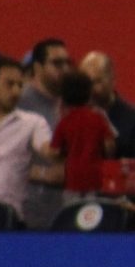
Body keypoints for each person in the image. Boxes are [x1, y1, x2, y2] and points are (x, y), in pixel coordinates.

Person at [0, 57, 58, 217]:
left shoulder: (33, 122)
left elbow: (48, 149)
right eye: (9, 84)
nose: (16, 92)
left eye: (20, 85)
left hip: (9, 220)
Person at [49, 69, 115, 199]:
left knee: (72, 215)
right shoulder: (97, 118)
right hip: (96, 179)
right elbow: (110, 146)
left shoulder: (64, 122)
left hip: (72, 180)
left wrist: (65, 157)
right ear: (89, 93)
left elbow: (54, 152)